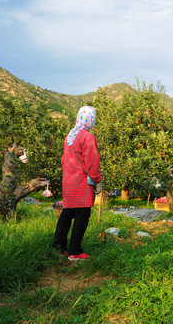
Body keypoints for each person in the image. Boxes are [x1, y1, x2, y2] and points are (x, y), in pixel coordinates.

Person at [53, 106, 102, 261]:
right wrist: (97, 179)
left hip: (68, 181)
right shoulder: (87, 137)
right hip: (82, 182)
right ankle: (75, 251)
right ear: (91, 119)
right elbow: (92, 161)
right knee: (82, 215)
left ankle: (58, 247)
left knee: (67, 214)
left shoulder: (70, 136)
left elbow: (64, 160)